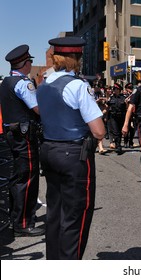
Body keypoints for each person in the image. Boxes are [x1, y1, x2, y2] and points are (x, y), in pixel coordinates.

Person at [36, 37, 105, 259]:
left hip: (49, 150)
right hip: (73, 154)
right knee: (76, 215)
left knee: (55, 213)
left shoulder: (43, 84)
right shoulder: (77, 85)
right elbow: (99, 131)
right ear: (75, 58)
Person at [0, 44, 44, 237]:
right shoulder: (23, 83)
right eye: (30, 62)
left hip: (13, 134)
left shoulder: (6, 82)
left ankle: (15, 218)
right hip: (25, 136)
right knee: (27, 178)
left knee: (18, 178)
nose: (30, 65)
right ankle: (24, 223)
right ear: (25, 64)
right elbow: (38, 109)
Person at [107, 82, 127, 155]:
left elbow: (127, 107)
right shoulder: (111, 97)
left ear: (119, 90)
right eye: (114, 89)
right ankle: (118, 146)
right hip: (113, 117)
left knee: (120, 131)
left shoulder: (124, 97)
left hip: (121, 116)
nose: (115, 90)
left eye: (116, 89)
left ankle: (119, 144)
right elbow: (107, 105)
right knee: (115, 132)